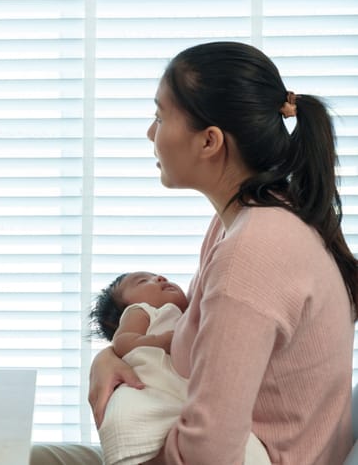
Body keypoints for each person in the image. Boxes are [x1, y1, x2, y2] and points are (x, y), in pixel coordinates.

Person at [32, 41, 357, 465]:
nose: (151, 132)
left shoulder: (253, 250)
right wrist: (108, 356)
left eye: (159, 116)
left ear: (209, 142)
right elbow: (198, 339)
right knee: (18, 456)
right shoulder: (254, 216)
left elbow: (209, 452)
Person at [90, 271, 268, 465]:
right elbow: (123, 342)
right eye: (143, 281)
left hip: (182, 390)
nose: (160, 278)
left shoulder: (190, 313)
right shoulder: (141, 311)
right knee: (137, 413)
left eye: (158, 276)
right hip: (151, 385)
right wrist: (162, 341)